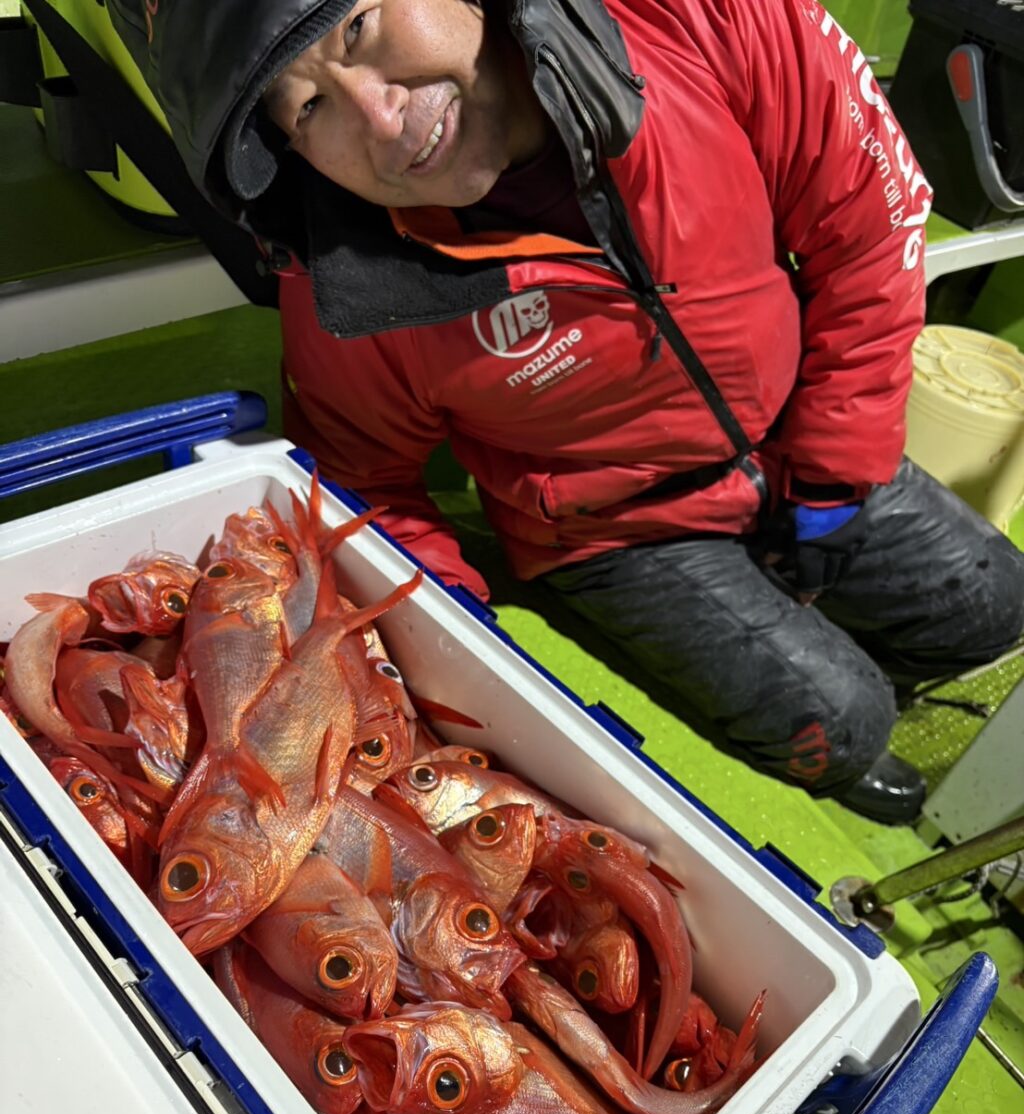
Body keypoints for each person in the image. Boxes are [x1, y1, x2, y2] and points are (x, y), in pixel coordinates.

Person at [109, 0, 1024, 824]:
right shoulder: (347, 292)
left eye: (358, 27)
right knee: (844, 724)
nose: (381, 120)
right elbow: (367, 486)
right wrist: (472, 653)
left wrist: (834, 468)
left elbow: (867, 229)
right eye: (308, 107)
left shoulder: (694, 17)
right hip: (617, 531)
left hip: (795, 428)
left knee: (995, 606)